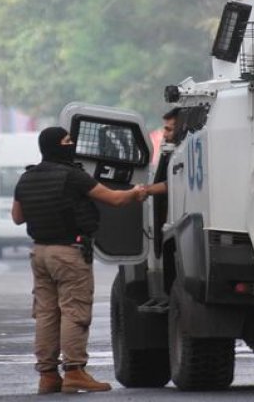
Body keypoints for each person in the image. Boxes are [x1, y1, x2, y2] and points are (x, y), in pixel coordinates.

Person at [12, 126, 147, 394]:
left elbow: (17, 217)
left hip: (39, 253)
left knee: (46, 314)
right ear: (56, 146)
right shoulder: (73, 176)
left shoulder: (27, 178)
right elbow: (114, 199)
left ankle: (48, 375)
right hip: (68, 254)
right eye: (67, 140)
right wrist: (137, 192)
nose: (71, 144)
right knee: (74, 311)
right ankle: (74, 371)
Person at [144, 108, 179, 256]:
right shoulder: (170, 151)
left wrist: (145, 190)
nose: (164, 134)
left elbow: (173, 183)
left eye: (169, 129)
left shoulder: (181, 154)